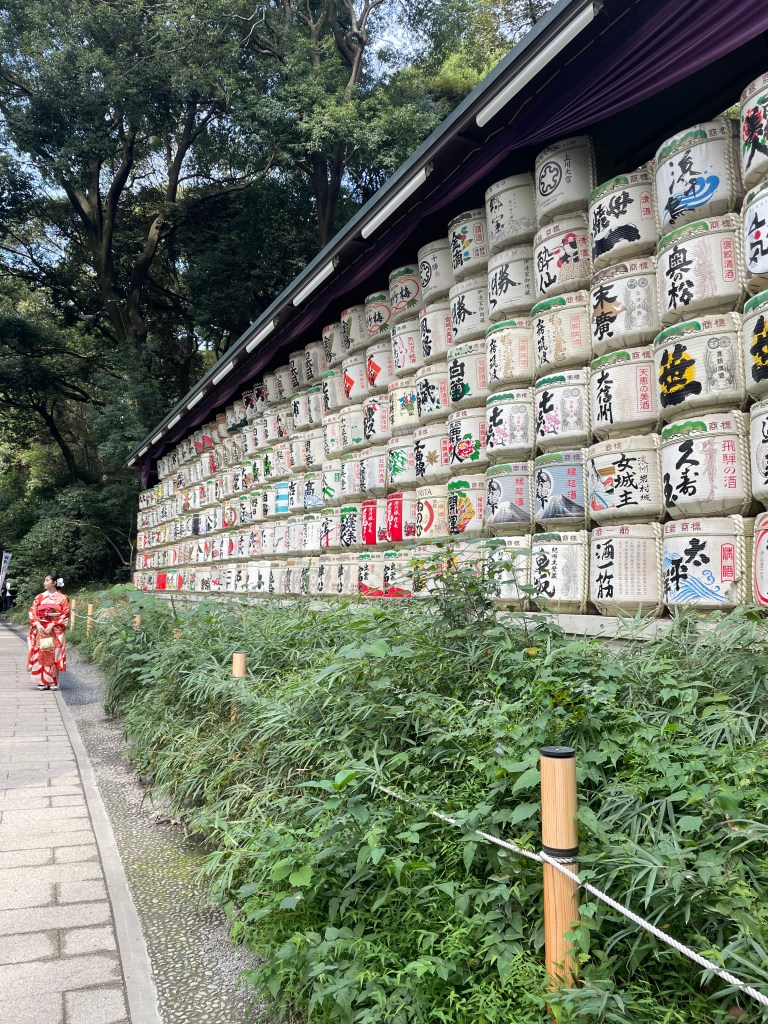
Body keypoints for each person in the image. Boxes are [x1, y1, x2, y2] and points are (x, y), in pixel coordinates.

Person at [28, 573, 69, 691]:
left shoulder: (62, 598)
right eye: (45, 580)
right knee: (41, 652)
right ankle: (41, 681)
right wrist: (37, 624)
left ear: (54, 583)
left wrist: (53, 624)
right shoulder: (40, 597)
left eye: (47, 580)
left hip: (54, 629)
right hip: (41, 629)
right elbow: (33, 611)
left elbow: (65, 614)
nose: (44, 582)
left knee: (53, 654)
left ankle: (52, 681)